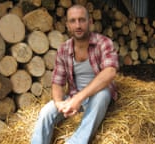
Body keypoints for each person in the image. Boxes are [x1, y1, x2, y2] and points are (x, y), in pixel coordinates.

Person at [31, 4, 119, 144]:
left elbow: (110, 72)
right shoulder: (63, 49)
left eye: (82, 20)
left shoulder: (103, 43)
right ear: (67, 25)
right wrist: (59, 103)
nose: (78, 25)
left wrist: (78, 98)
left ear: (90, 22)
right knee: (46, 112)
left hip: (97, 96)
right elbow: (57, 82)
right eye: (73, 21)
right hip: (73, 97)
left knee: (102, 94)